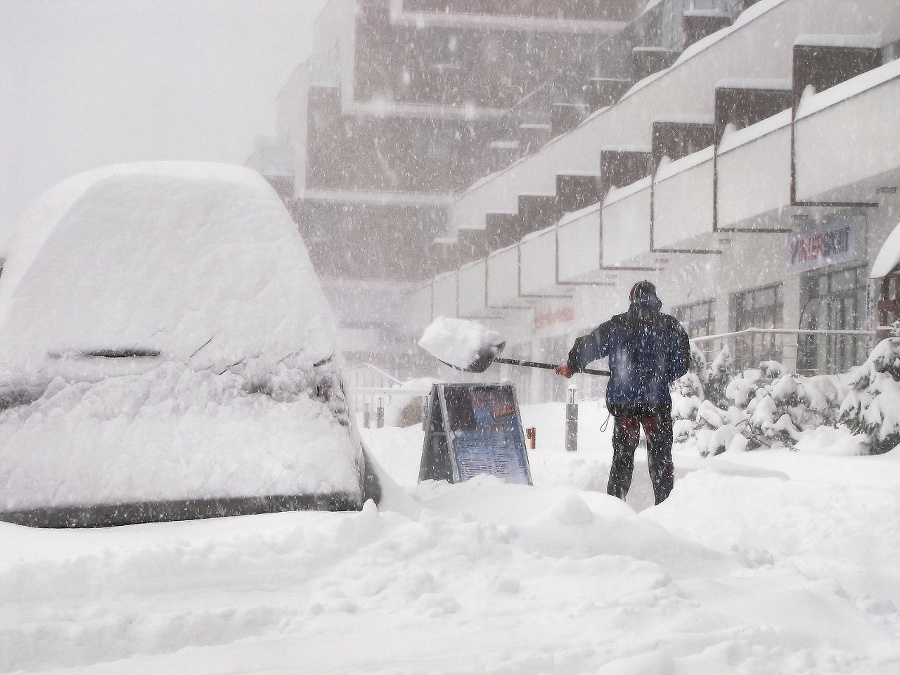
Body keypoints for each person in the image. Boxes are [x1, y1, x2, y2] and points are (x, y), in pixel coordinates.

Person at [555, 280, 689, 504]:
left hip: (625, 404)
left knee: (622, 459)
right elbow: (681, 363)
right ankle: (666, 509)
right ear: (655, 299)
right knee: (661, 461)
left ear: (631, 299)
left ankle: (615, 507)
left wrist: (572, 365)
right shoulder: (670, 326)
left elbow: (588, 345)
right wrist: (659, 375)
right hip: (656, 405)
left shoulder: (617, 325)